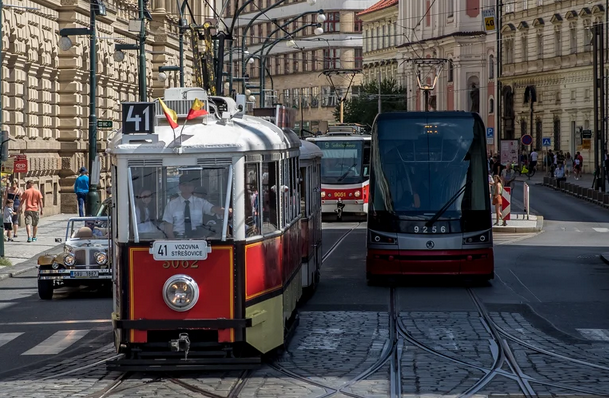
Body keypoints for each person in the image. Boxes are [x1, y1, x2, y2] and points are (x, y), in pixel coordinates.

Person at [162, 174, 225, 239]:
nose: (187, 187)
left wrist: (225, 211)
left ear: (193, 187)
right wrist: (174, 242)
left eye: (189, 185)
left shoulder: (201, 202)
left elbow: (213, 209)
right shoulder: (171, 205)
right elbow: (168, 227)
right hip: (178, 238)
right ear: (179, 186)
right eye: (184, 185)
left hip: (197, 239)